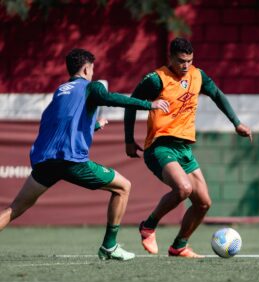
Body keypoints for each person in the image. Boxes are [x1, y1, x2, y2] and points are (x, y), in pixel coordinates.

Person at [0, 48, 169, 261]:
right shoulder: (92, 86)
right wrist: (149, 105)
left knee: (15, 208)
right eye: (93, 69)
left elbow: (62, 124)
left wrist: (94, 126)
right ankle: (109, 246)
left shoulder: (61, 91)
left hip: (45, 161)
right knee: (123, 187)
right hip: (70, 161)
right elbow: (111, 98)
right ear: (87, 68)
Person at [124, 37, 252, 258]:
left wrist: (236, 122)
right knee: (184, 189)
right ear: (171, 58)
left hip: (184, 149)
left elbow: (218, 95)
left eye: (189, 60)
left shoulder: (197, 75)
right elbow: (130, 103)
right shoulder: (156, 80)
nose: (185, 65)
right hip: (160, 146)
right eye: (181, 61)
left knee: (203, 203)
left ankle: (179, 246)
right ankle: (148, 226)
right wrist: (128, 139)